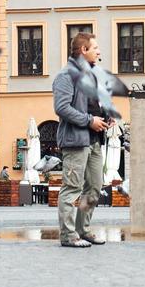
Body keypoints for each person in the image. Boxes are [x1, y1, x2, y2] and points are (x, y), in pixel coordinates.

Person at [52, 31, 111, 248]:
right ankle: (68, 235)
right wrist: (89, 121)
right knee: (72, 188)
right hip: (76, 141)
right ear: (83, 50)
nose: (99, 51)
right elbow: (61, 107)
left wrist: (105, 117)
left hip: (94, 139)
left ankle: (82, 230)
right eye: (95, 48)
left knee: (94, 188)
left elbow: (93, 106)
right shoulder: (66, 76)